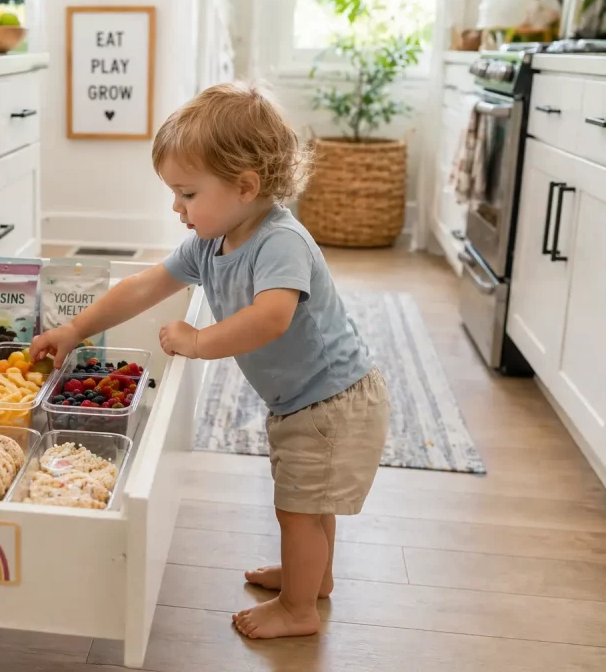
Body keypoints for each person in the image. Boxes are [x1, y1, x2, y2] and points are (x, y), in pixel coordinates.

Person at [30, 82, 391, 640]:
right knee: (309, 503)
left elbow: (272, 316)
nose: (176, 207)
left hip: (332, 403)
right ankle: (312, 579)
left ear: (246, 187)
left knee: (299, 508)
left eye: (188, 193)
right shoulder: (209, 242)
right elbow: (145, 285)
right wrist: (76, 328)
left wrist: (199, 341)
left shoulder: (280, 242)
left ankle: (299, 609)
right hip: (305, 400)